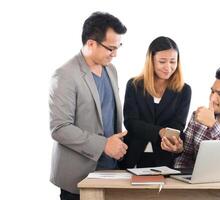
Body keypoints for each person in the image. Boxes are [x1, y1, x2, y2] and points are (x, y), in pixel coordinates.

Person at [49, 12, 128, 199]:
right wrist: (103, 145)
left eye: (118, 47)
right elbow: (59, 128)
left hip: (112, 171)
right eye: (110, 48)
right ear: (91, 43)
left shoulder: (111, 70)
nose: (115, 54)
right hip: (78, 177)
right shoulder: (64, 75)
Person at [119, 36, 192, 169]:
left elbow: (178, 124)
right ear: (151, 61)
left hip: (165, 158)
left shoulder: (184, 90)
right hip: (133, 156)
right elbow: (131, 122)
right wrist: (160, 131)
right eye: (162, 61)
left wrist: (171, 139)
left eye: (172, 62)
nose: (168, 67)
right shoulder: (134, 85)